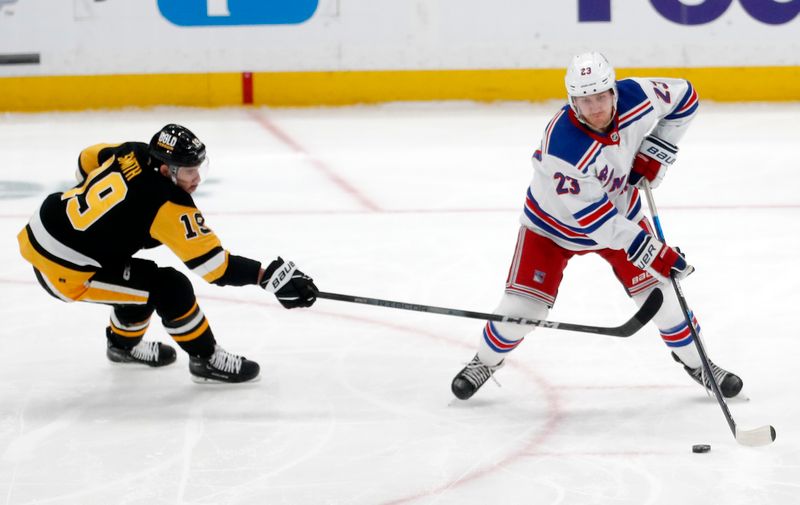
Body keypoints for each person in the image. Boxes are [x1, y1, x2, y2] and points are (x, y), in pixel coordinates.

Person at [451, 52, 743, 400]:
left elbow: (686, 97)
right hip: (552, 229)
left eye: (601, 96)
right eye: (583, 100)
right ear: (571, 100)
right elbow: (599, 225)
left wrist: (658, 148)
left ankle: (700, 365)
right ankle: (484, 361)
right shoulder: (564, 147)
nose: (594, 108)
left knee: (662, 297)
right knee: (522, 310)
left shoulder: (638, 96)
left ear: (613, 90)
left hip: (622, 214)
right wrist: (653, 251)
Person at [18, 124, 318, 383]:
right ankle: (206, 360)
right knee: (170, 288)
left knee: (140, 283)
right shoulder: (168, 205)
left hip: (44, 225)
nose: (197, 178)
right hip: (65, 269)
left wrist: (100, 217)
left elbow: (87, 159)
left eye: (199, 168)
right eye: (189, 171)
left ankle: (122, 347)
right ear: (165, 169)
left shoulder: (131, 151)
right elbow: (216, 268)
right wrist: (267, 277)